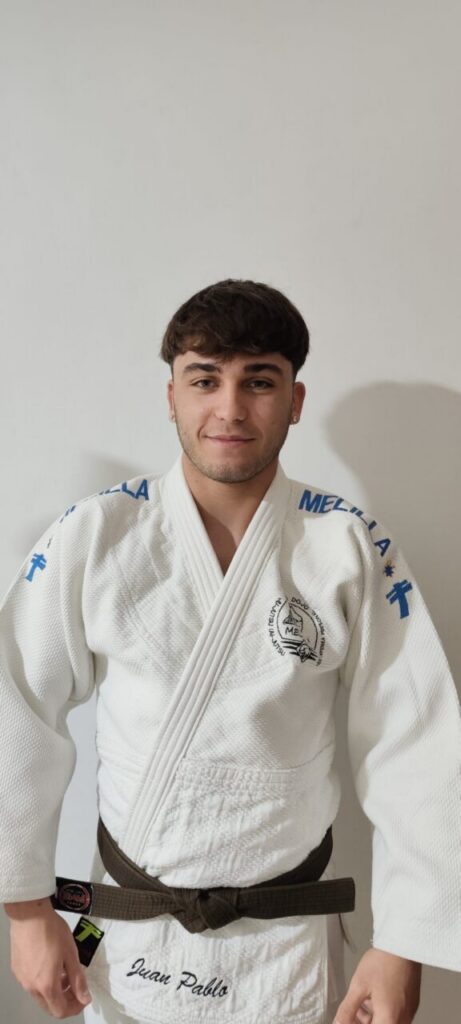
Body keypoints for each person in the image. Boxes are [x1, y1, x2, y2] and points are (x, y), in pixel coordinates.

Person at [1, 278, 459, 1024]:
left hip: (286, 941)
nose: (230, 408)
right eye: (204, 378)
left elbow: (417, 740)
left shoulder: (346, 543)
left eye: (259, 381)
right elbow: (14, 702)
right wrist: (26, 911)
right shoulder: (97, 532)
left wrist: (401, 942)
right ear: (171, 394)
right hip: (120, 922)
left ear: (295, 400)